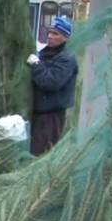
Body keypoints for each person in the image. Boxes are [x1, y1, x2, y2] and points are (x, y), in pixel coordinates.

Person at [26, 16, 78, 156]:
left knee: (39, 154)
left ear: (65, 37)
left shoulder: (66, 58)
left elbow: (51, 82)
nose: (50, 36)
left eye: (55, 34)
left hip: (51, 117)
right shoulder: (44, 54)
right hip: (36, 113)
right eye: (49, 32)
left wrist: (36, 65)